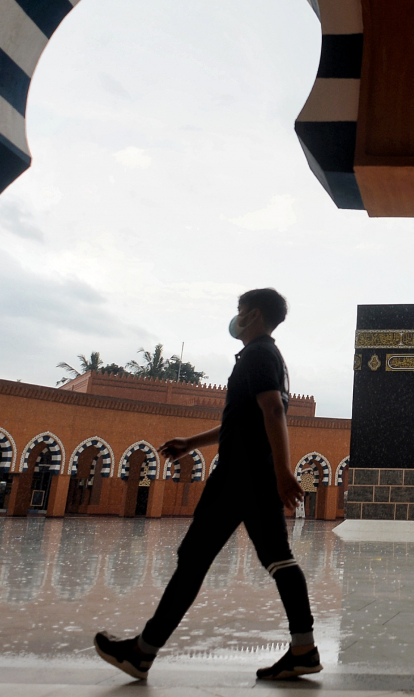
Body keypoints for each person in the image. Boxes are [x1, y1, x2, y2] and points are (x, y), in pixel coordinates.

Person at [94, 288, 320, 681]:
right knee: (278, 559)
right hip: (253, 476)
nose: (236, 318)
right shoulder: (267, 357)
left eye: (240, 312)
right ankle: (303, 648)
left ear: (252, 314)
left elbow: (272, 410)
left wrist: (285, 472)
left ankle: (142, 652)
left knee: (194, 558)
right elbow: (243, 420)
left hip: (239, 478)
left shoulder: (259, 354)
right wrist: (191, 443)